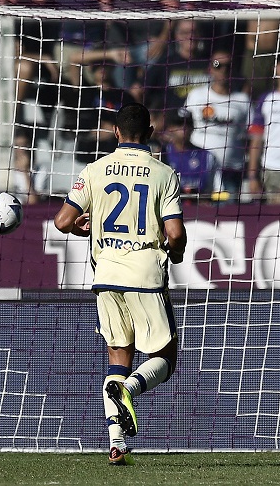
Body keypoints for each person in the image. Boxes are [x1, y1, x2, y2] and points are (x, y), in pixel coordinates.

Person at [53, 102, 187, 465]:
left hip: (106, 274)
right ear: (151, 132)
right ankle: (130, 389)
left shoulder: (94, 170)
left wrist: (83, 227)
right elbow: (175, 233)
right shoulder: (164, 174)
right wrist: (176, 253)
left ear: (116, 132)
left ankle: (116, 442)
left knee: (118, 357)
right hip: (143, 273)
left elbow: (62, 221)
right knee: (165, 357)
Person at [182, 50, 251, 202]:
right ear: (210, 68)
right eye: (218, 65)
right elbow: (183, 126)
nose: (223, 70)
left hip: (230, 171)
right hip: (198, 169)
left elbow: (250, 135)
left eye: (228, 66)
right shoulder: (196, 95)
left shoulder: (242, 100)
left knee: (228, 213)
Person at [248, 61, 280, 204]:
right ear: (276, 68)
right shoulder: (266, 99)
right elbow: (256, 140)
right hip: (271, 169)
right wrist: (252, 176)